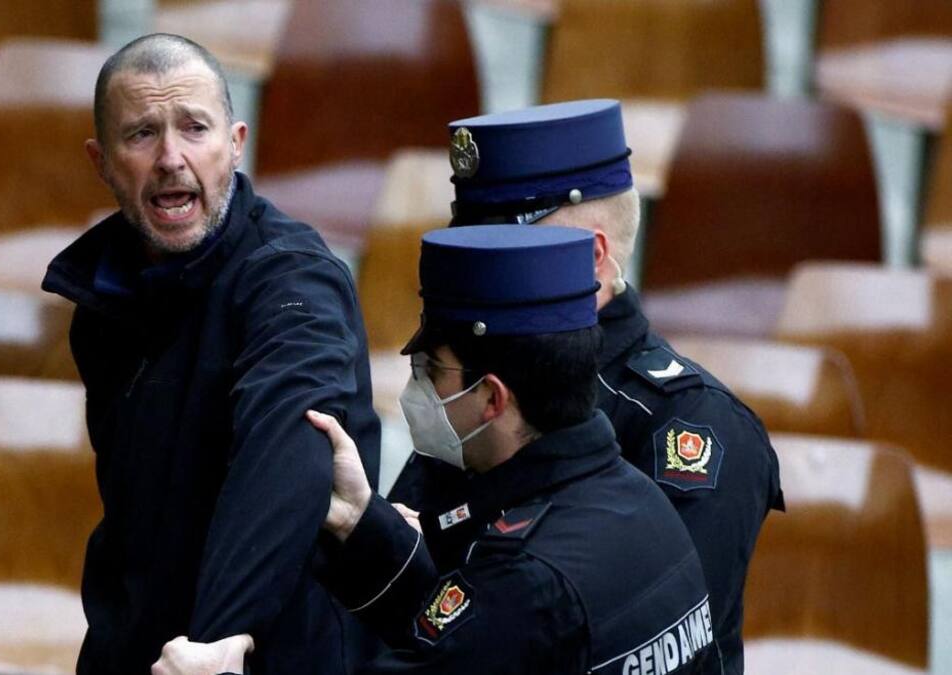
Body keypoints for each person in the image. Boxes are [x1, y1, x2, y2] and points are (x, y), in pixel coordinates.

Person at [152, 225, 720, 674]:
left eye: (431, 371)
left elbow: (492, 631)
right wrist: (359, 521)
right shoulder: (637, 501)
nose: (416, 389)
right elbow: (468, 640)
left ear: (492, 398)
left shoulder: (526, 579)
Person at [389, 99, 785, 672]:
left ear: (593, 259)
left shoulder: (693, 425)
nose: (475, 264)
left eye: (505, 245)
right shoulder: (472, 384)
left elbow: (629, 644)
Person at [41, 33, 381, 674]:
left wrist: (217, 641)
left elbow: (286, 455)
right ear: (101, 161)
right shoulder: (103, 303)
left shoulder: (293, 279)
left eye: (195, 128)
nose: (171, 157)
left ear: (236, 142)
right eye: (142, 133)